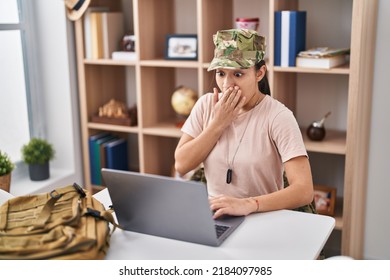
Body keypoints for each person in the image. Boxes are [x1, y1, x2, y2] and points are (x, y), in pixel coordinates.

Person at [174, 29, 313, 219]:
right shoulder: (206, 105)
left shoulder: (278, 117)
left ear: (259, 73)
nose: (226, 85)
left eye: (238, 74)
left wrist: (248, 204)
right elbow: (181, 165)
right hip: (215, 216)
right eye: (221, 73)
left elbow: (304, 191)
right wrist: (217, 124)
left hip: (262, 215)